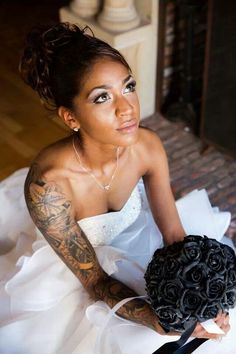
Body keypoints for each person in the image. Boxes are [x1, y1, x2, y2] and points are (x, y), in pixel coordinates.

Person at [0, 22, 235, 354]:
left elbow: (174, 238)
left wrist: (204, 303)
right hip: (81, 276)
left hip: (141, 244)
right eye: (102, 97)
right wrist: (160, 320)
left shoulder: (147, 146)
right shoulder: (49, 187)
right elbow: (94, 282)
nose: (127, 109)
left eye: (128, 87)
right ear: (71, 118)